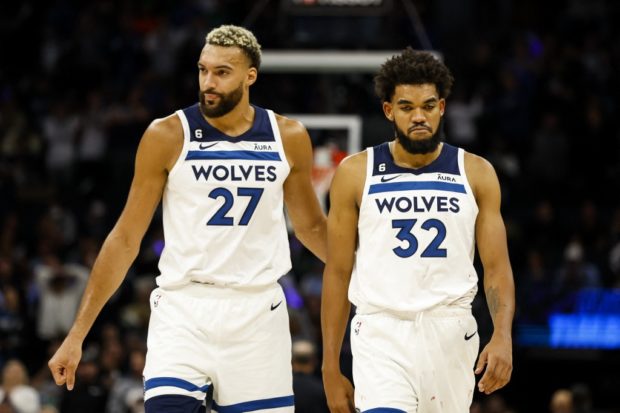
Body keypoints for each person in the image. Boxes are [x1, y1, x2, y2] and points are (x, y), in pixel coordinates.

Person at [48, 24, 327, 412]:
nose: (208, 82)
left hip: (258, 314)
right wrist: (77, 334)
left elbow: (311, 227)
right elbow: (125, 238)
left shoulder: (289, 136)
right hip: (183, 309)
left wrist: (371, 276)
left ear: (250, 76)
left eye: (222, 72)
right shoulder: (167, 135)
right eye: (203, 70)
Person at [321, 48, 515, 412]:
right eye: (407, 107)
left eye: (427, 106)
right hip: (381, 331)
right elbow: (338, 272)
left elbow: (497, 267)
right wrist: (330, 365)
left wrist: (502, 335)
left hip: (450, 329)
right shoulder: (355, 172)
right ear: (389, 110)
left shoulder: (475, 172)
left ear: (441, 107)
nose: (419, 116)